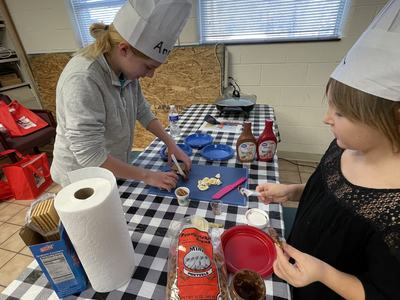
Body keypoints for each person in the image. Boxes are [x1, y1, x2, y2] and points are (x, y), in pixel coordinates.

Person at [256, 1, 400, 299]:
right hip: (296, 267)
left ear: (393, 119)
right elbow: (332, 197)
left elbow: (382, 292)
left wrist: (323, 273)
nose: (326, 118)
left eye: (342, 113)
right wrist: (294, 191)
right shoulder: (343, 146)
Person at [51, 0, 192, 188]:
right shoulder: (83, 79)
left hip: (111, 167)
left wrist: (171, 144)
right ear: (124, 49)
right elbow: (89, 155)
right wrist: (147, 176)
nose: (150, 75)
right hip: (82, 178)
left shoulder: (126, 73)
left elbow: (142, 111)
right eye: (148, 67)